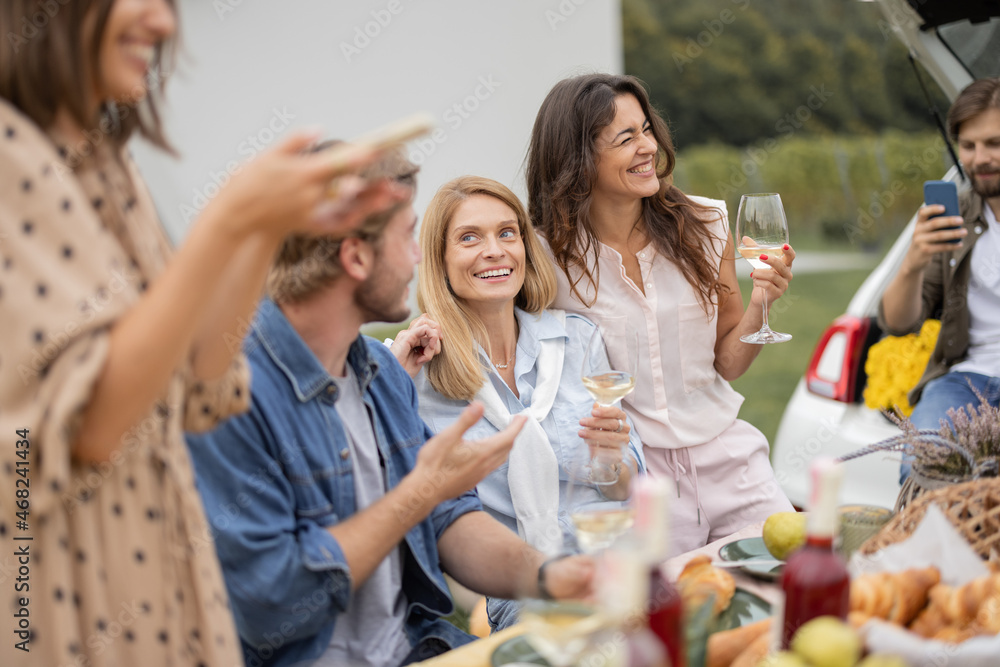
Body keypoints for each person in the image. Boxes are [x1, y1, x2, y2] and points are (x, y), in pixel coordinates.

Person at [0, 2, 404, 666]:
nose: (163, 25)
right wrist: (228, 217)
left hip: (161, 600)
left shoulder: (108, 165)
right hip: (64, 602)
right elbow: (94, 426)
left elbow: (197, 381)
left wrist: (263, 227)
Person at [186, 153, 594, 667]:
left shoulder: (379, 371)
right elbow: (273, 603)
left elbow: (449, 519)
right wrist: (417, 494)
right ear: (356, 258)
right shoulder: (229, 396)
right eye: (407, 238)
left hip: (417, 646)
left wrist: (552, 575)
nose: (417, 260)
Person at [526, 73, 795, 555]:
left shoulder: (706, 225)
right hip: (636, 484)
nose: (647, 146)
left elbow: (728, 363)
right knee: (665, 621)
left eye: (646, 129)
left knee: (783, 590)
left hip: (733, 463)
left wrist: (761, 304)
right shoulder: (545, 257)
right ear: (577, 159)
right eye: (625, 138)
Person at [396, 176, 644, 631]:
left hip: (620, 560)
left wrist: (611, 461)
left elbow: (626, 487)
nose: (494, 250)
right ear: (440, 260)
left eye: (507, 233)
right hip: (526, 592)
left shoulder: (577, 340)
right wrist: (395, 385)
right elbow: (398, 500)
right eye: (469, 238)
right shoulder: (418, 374)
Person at [880, 77, 1000, 482]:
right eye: (969, 146)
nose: (980, 158)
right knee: (921, 468)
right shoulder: (955, 217)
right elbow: (897, 323)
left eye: (994, 143)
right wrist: (914, 262)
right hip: (966, 379)